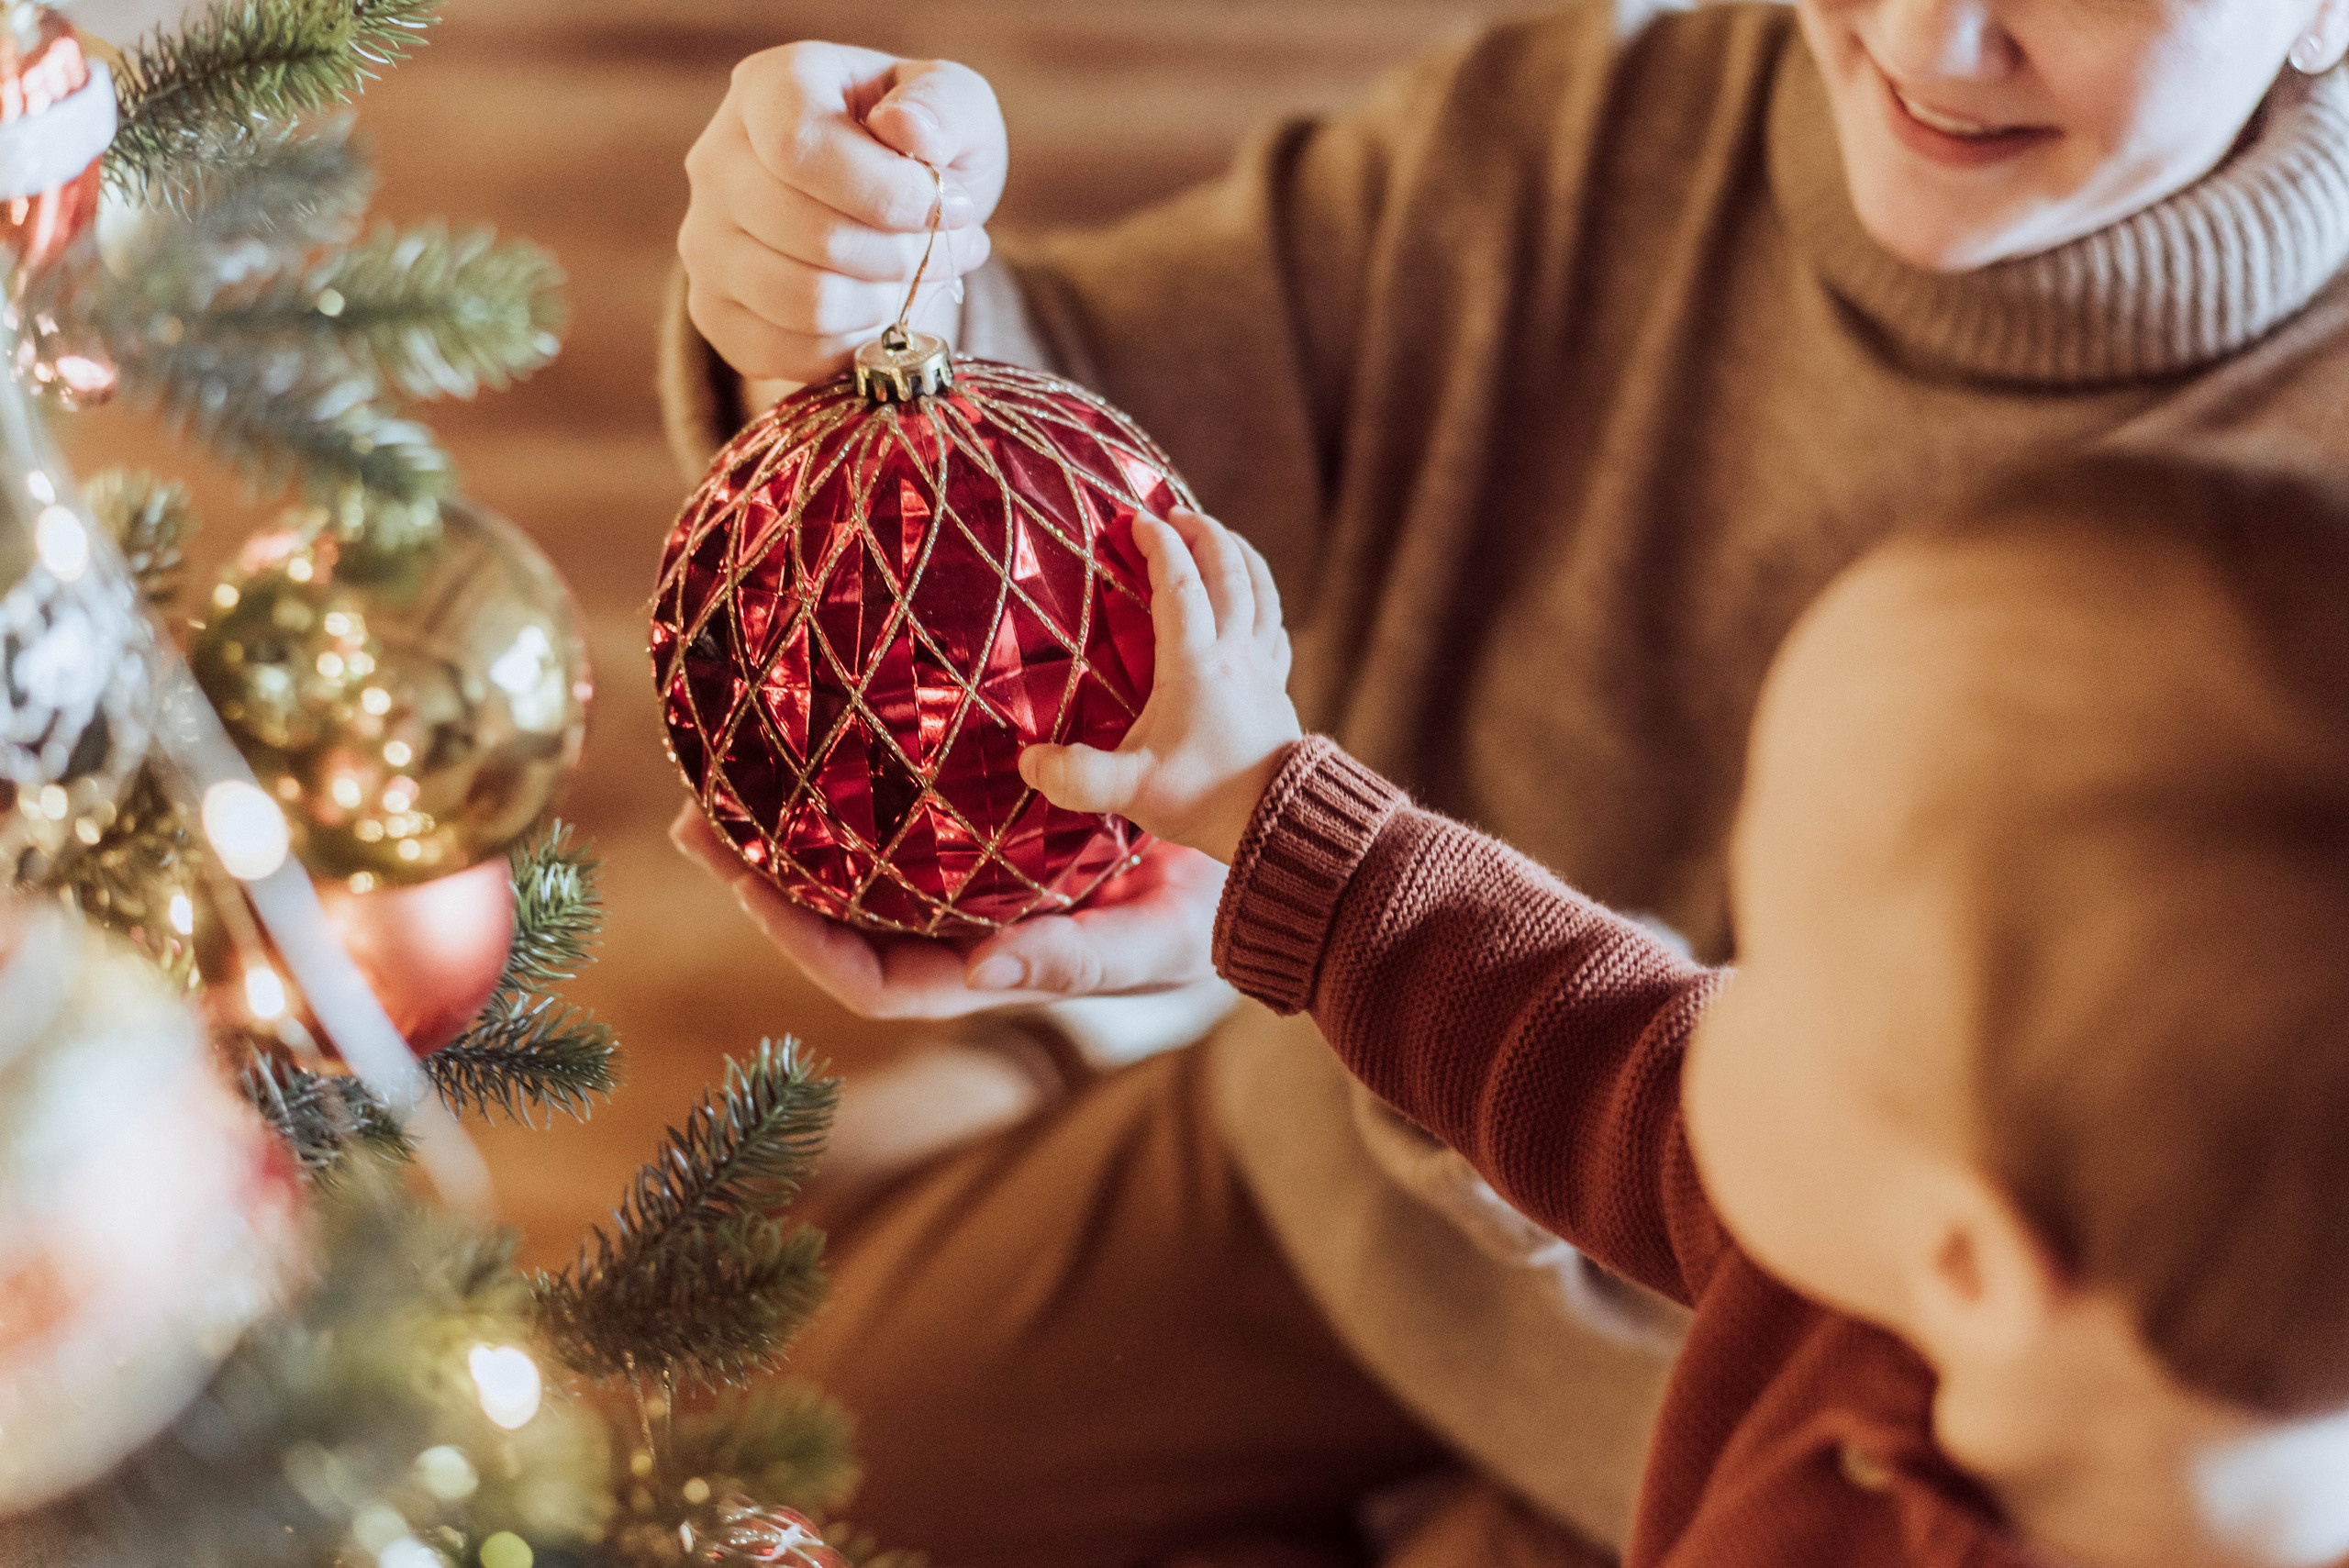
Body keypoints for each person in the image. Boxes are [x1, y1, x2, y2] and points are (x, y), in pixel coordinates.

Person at [662, 2, 2349, 1562]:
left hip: (1672, 1417)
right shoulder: (1586, 126)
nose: (1929, 32)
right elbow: (1617, 1053)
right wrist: (856, 296)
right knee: (740, 1468)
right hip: (1361, 1136)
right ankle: (1077, 1068)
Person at [1015, 452, 2349, 1568]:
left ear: (1966, 1267)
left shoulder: (1851, 1266)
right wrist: (1263, 803)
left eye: (1767, 960)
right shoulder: (1886, 1231)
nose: (1701, 979)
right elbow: (1569, 1033)